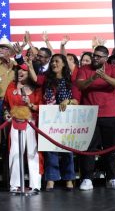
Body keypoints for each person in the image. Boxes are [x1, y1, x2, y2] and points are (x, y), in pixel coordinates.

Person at [77, 45, 115, 190]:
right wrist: (92, 78)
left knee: (110, 149)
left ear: (105, 58)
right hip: (90, 115)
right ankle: (87, 179)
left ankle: (111, 179)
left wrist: (104, 76)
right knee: (89, 149)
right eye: (94, 55)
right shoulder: (84, 69)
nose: (95, 58)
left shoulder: (113, 69)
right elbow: (80, 85)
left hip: (110, 114)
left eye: (99, 56)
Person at [38, 54, 79, 191]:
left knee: (67, 150)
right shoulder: (46, 80)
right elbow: (34, 79)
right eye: (52, 61)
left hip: (66, 120)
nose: (54, 64)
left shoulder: (70, 81)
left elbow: (77, 100)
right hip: (49, 120)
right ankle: (51, 179)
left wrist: (68, 101)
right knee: (50, 150)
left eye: (57, 61)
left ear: (63, 64)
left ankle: (69, 178)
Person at [3, 63, 43, 194]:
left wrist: (30, 104)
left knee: (33, 152)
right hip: (15, 122)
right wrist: (6, 113)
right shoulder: (11, 86)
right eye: (19, 70)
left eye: (24, 71)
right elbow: (5, 105)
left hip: (32, 123)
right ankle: (15, 185)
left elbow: (42, 107)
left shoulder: (37, 89)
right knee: (15, 152)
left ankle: (35, 185)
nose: (20, 72)